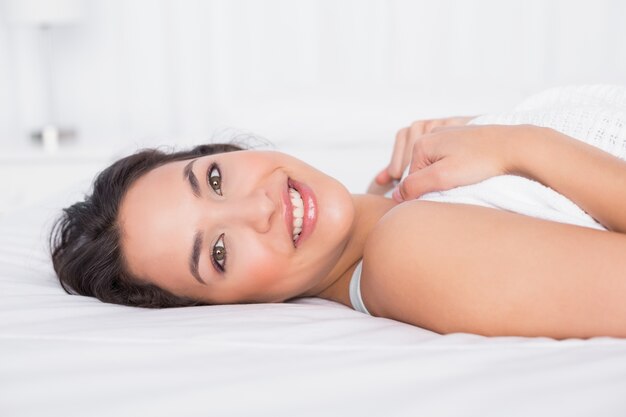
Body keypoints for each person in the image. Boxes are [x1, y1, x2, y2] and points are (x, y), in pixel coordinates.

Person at [50, 85, 626, 339]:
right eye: (218, 253)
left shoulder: (414, 178)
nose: (258, 209)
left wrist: (486, 130)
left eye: (215, 179)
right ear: (222, 306)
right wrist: (522, 144)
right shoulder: (409, 252)